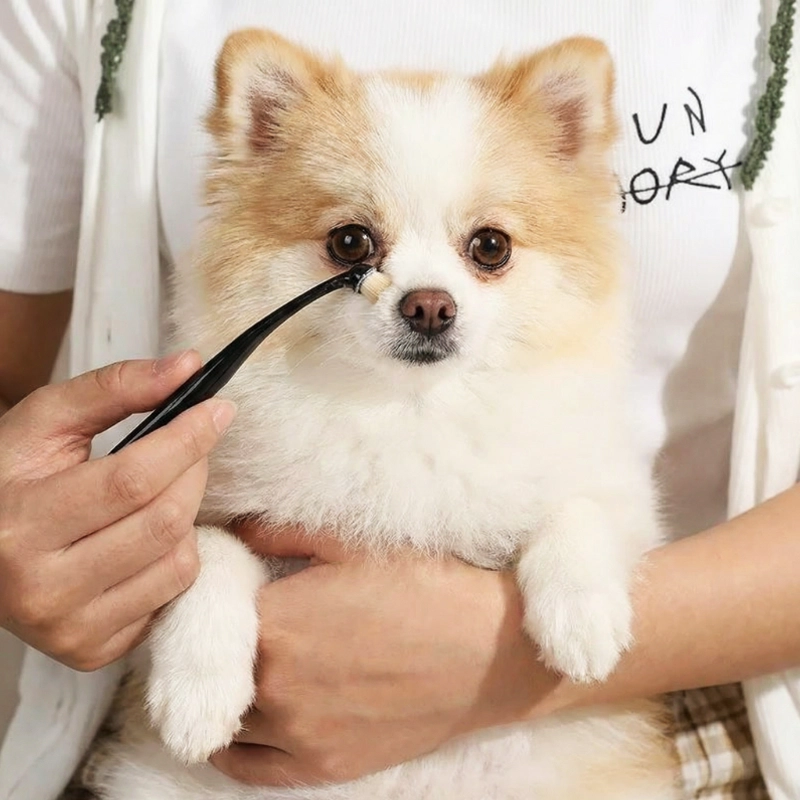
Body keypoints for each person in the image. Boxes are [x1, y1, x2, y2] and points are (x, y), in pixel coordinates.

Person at [0, 1, 797, 799]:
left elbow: (600, 513)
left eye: (488, 248)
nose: (429, 298)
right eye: (351, 242)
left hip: (651, 716)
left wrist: (546, 591)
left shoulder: (564, 438)